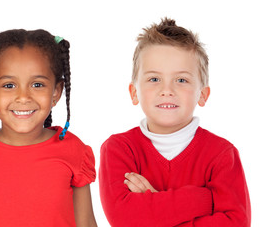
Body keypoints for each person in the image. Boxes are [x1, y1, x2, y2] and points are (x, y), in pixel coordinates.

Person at [99, 18, 251, 226]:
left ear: (203, 95)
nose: (167, 90)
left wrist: (152, 206)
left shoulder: (222, 154)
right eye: (154, 79)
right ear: (134, 93)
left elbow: (236, 223)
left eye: (181, 80)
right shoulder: (118, 149)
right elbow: (125, 218)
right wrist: (205, 198)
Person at [0, 29, 97, 227]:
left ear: (56, 92)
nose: (23, 97)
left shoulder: (74, 150)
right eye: (9, 85)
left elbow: (86, 223)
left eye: (37, 84)